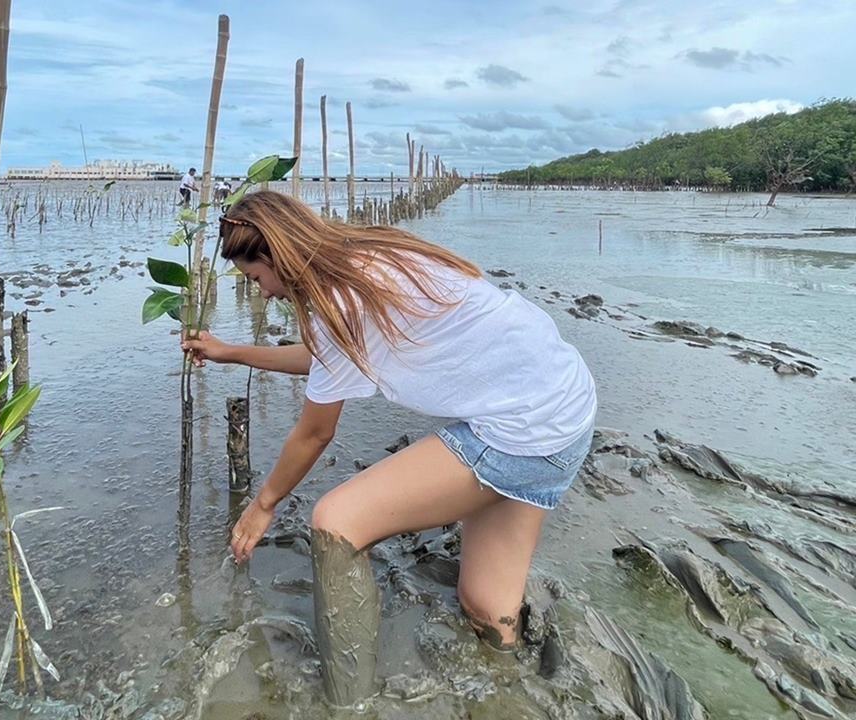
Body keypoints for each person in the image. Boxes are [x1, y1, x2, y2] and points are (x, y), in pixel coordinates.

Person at [180, 191, 596, 706]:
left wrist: (263, 505)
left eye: (256, 277)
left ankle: (347, 705)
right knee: (487, 609)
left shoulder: (340, 301)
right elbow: (328, 355)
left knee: (336, 523)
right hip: (564, 411)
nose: (262, 292)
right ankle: (508, 698)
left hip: (522, 433)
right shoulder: (364, 257)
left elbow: (314, 434)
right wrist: (231, 353)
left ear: (276, 256)